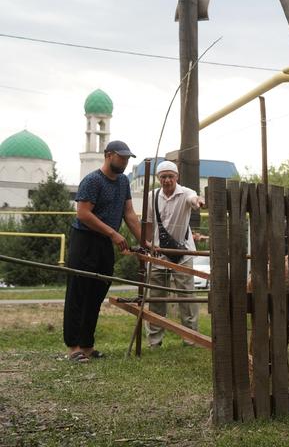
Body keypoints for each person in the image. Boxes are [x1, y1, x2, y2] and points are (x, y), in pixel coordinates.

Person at [64, 140, 142, 363]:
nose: (125, 162)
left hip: (105, 244)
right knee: (78, 294)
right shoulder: (92, 180)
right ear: (108, 155)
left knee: (96, 294)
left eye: (128, 159)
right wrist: (113, 234)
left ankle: (87, 347)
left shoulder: (123, 182)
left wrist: (145, 243)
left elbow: (129, 214)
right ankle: (74, 348)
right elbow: (83, 214)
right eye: (122, 157)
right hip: (85, 241)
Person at [145, 160, 205, 348]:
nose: (167, 180)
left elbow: (194, 200)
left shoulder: (186, 192)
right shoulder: (152, 196)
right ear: (158, 178)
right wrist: (147, 245)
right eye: (163, 177)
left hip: (182, 253)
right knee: (156, 297)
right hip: (158, 254)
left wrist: (200, 201)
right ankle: (154, 341)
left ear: (177, 177)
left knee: (186, 296)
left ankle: (190, 338)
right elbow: (147, 223)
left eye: (171, 176)